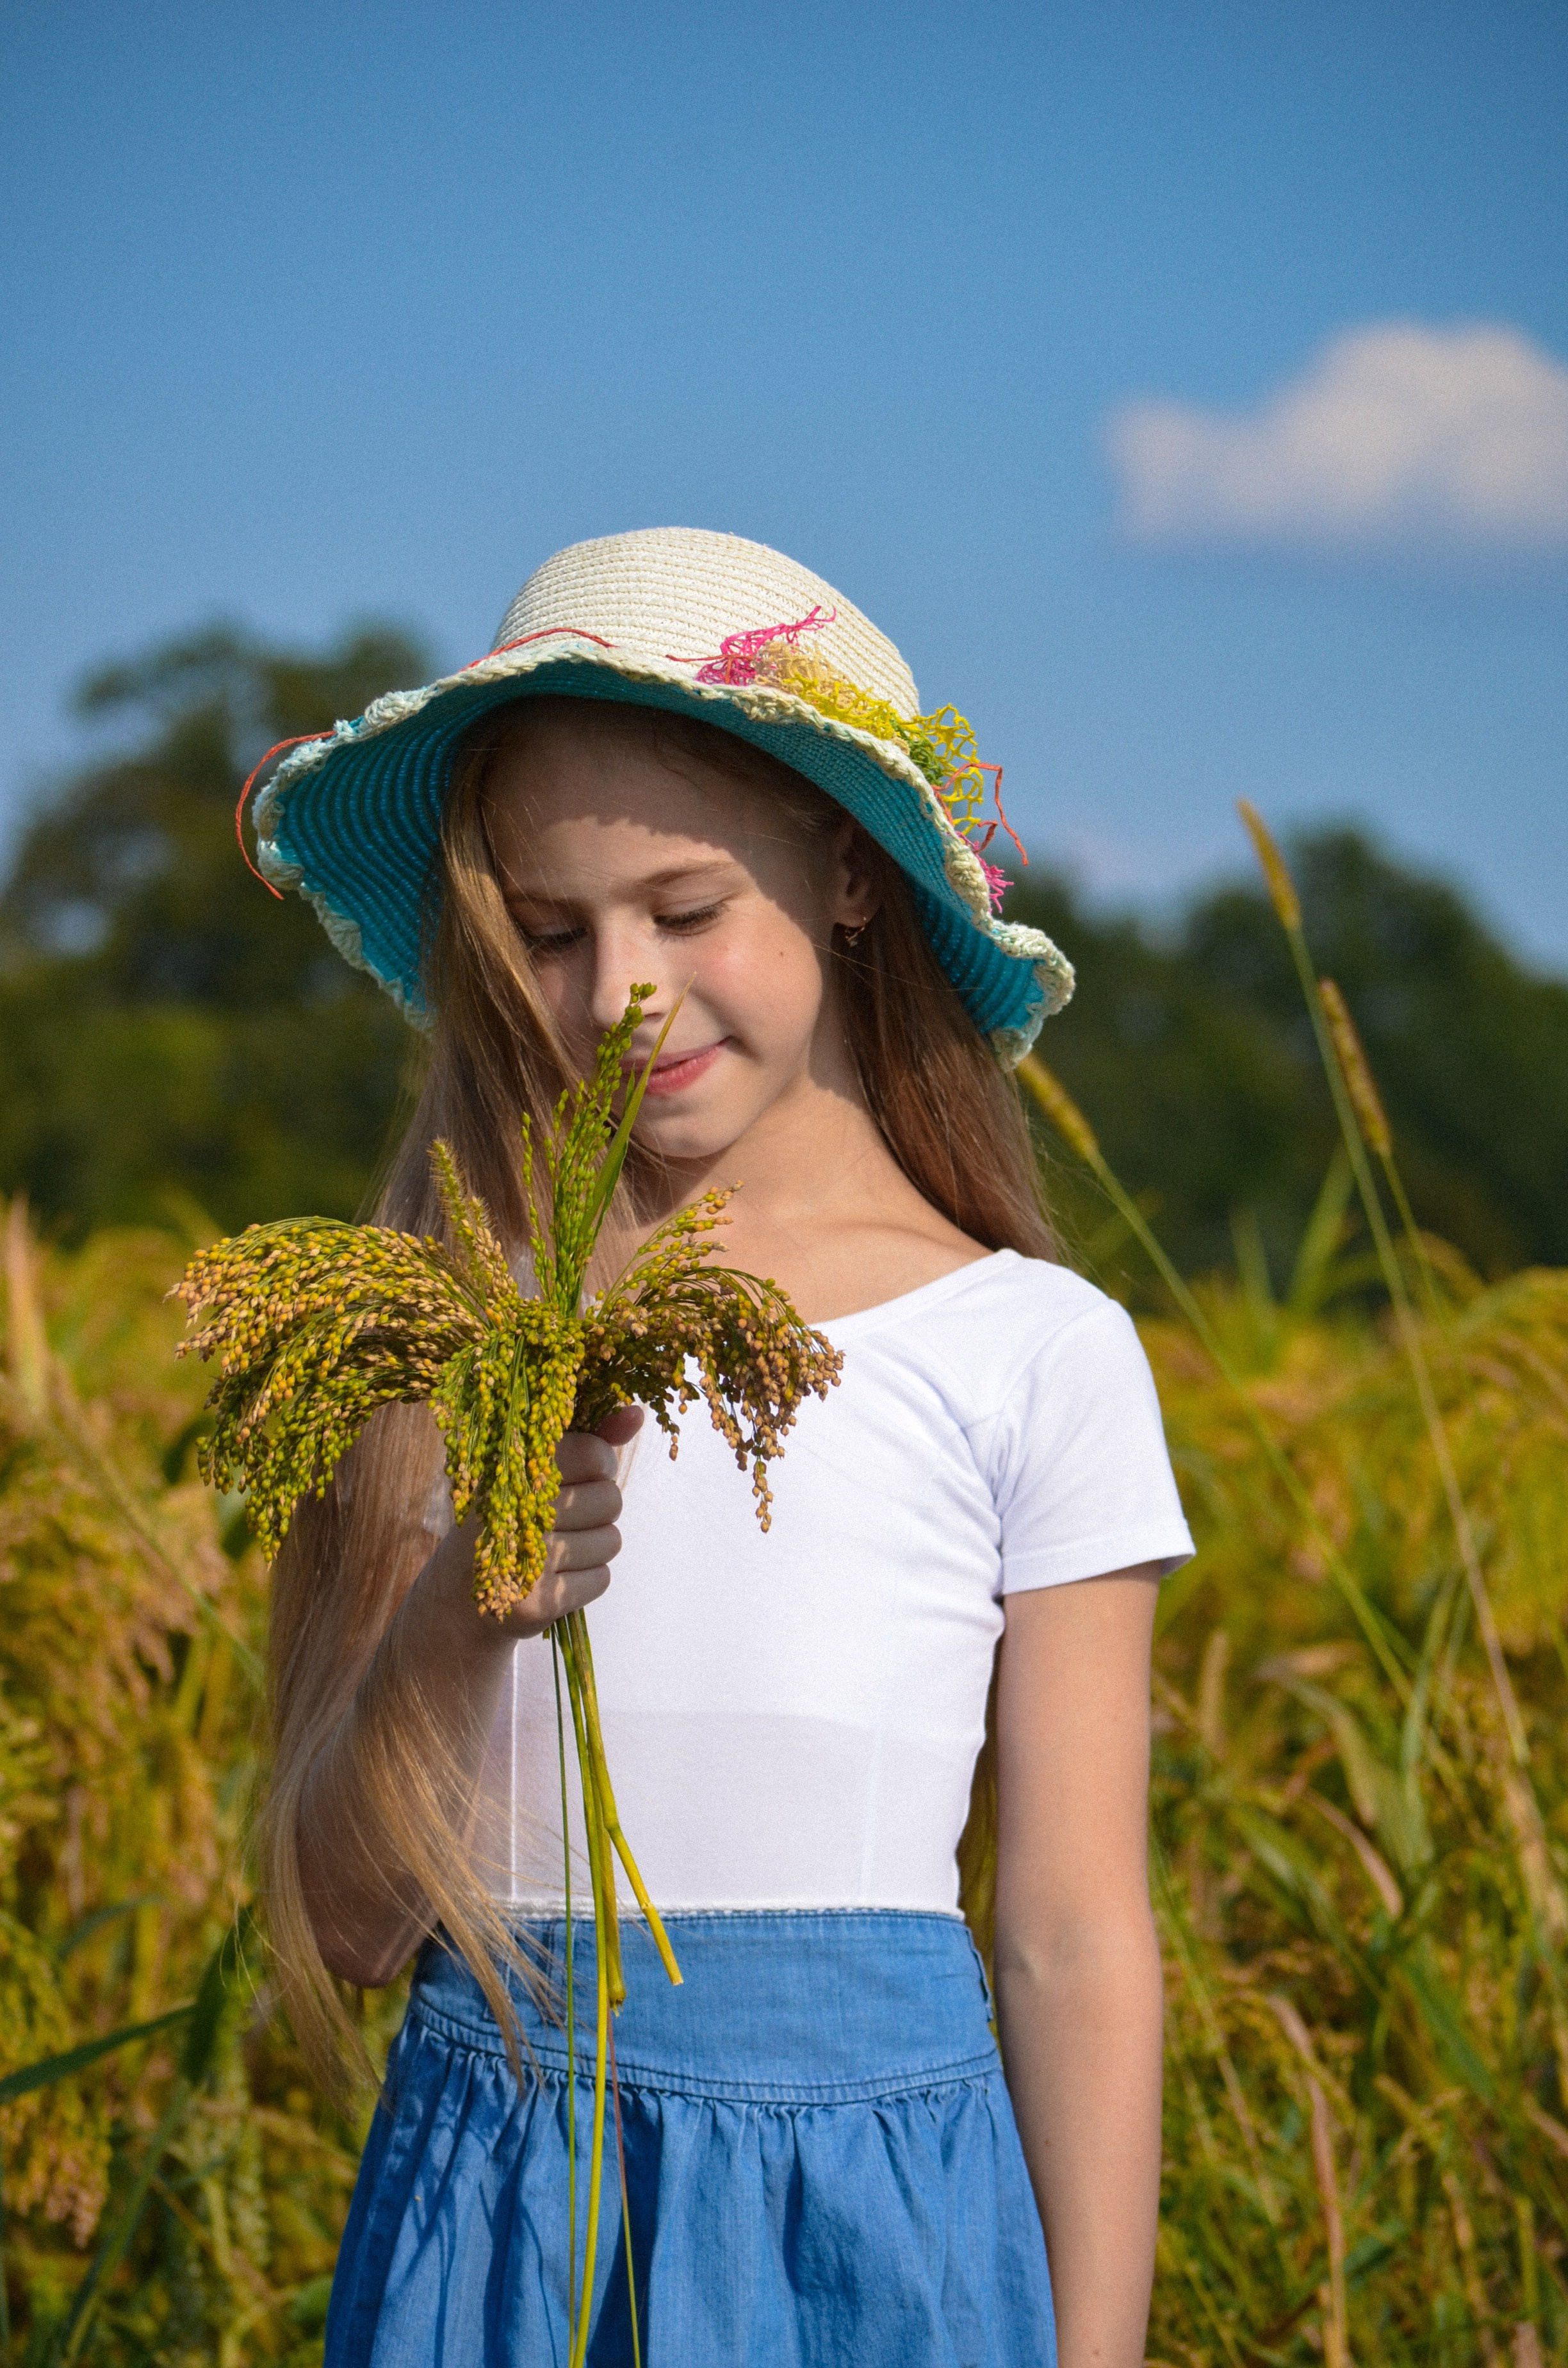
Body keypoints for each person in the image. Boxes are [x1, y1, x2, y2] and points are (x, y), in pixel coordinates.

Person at [252, 528, 1193, 2368]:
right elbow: (348, 1924)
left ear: (848, 874)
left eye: (686, 913)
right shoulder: (454, 1330)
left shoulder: (1030, 1350)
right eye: (547, 932)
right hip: (507, 2219)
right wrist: (468, 1603)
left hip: (876, 2229)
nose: (623, 995)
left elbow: (1076, 1942)